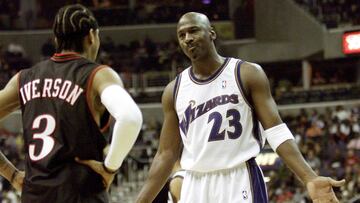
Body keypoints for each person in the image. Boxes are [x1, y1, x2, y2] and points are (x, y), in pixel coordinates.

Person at [136, 12, 345, 203]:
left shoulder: (246, 73)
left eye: (193, 30)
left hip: (239, 177)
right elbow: (166, 154)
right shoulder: (174, 90)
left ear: (211, 33)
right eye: (181, 35)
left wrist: (309, 177)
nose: (187, 38)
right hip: (194, 183)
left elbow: (276, 131)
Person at [0, 4, 142, 203]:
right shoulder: (98, 75)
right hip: (81, 194)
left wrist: (11, 173)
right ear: (92, 36)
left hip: (35, 196)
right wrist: (110, 167)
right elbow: (130, 118)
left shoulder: (23, 79)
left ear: (56, 39)